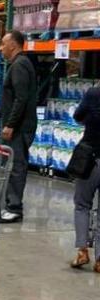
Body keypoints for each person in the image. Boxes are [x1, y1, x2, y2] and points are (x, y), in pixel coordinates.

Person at [0, 30, 38, 223]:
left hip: (19, 128)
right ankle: (10, 204)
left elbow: (21, 99)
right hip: (17, 126)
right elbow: (11, 99)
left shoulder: (19, 66)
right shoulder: (17, 65)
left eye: (3, 44)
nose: (1, 48)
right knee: (12, 165)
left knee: (16, 166)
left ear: (13, 45)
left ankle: (14, 208)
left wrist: (10, 124)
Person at [70, 83, 100, 272]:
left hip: (90, 159)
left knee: (82, 205)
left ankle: (82, 251)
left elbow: (78, 116)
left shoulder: (93, 92)